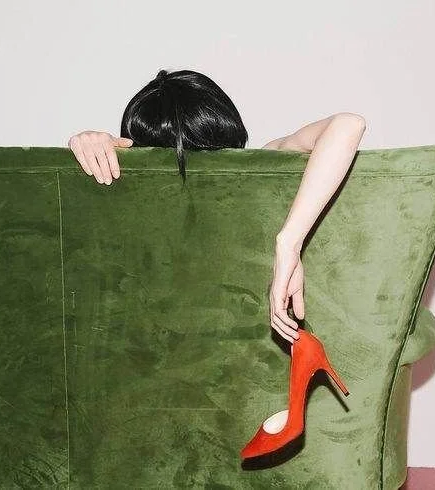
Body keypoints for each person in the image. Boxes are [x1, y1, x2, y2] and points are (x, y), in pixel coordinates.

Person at [68, 69, 366, 345]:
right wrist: (90, 145)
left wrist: (289, 243)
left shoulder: (256, 172)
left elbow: (347, 125)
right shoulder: (132, 209)